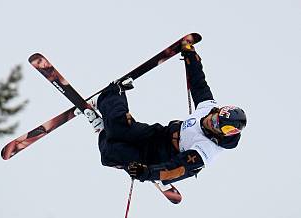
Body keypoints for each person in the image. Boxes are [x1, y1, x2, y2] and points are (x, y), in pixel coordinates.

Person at [94, 37, 247, 185]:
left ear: (222, 133)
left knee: (110, 154)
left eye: (218, 126)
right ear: (217, 111)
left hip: (162, 158)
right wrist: (190, 55)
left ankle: (102, 130)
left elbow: (179, 169)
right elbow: (198, 83)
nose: (211, 122)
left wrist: (147, 172)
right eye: (215, 117)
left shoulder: (206, 150)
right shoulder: (207, 107)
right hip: (160, 135)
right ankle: (114, 93)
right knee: (118, 127)